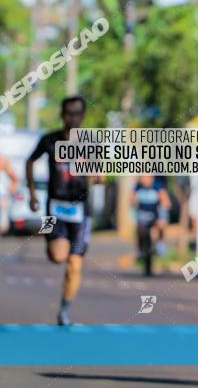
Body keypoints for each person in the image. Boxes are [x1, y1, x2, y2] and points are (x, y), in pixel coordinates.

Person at [26, 95, 93, 326]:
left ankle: (64, 311)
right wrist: (33, 194)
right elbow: (30, 161)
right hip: (54, 208)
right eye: (69, 113)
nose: (73, 118)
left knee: (75, 264)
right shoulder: (49, 140)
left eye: (77, 113)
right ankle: (51, 243)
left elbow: (101, 175)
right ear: (62, 115)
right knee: (58, 256)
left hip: (81, 211)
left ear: (83, 117)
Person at [131, 174, 172, 276]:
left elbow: (166, 202)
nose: (144, 180)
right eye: (142, 178)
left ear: (151, 178)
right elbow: (132, 201)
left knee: (161, 225)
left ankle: (160, 243)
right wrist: (134, 201)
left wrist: (162, 214)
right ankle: (140, 250)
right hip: (143, 216)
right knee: (139, 229)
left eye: (147, 177)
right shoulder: (137, 187)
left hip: (156, 215)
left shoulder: (158, 186)